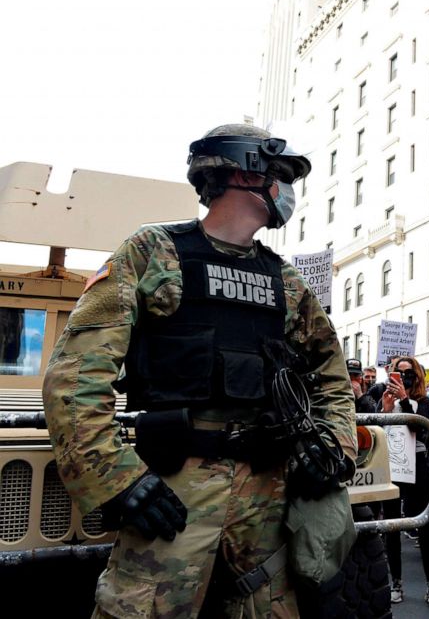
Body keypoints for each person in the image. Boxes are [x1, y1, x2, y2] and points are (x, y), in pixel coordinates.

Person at [41, 124, 357, 616]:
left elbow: (332, 379)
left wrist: (331, 448)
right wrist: (118, 479)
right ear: (245, 173)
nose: (288, 191)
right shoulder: (152, 252)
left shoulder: (286, 281)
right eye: (281, 175)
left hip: (267, 494)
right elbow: (76, 376)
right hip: (174, 491)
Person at [378, 356, 429, 607]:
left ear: (416, 377)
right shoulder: (386, 401)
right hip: (393, 469)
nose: (403, 377)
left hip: (417, 468)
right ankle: (396, 581)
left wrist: (405, 399)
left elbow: (416, 428)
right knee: (393, 526)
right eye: (399, 373)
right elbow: (378, 433)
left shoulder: (424, 402)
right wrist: (385, 409)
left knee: (425, 525)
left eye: (408, 374)